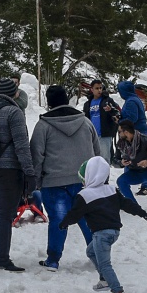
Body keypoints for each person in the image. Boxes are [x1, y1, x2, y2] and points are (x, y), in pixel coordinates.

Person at [60, 156, 147, 293]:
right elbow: (127, 204)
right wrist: (144, 214)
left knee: (105, 264)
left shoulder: (84, 195)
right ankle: (104, 280)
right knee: (90, 252)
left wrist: (63, 224)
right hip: (114, 232)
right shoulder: (111, 190)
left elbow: (74, 214)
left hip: (101, 235)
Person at [29, 85, 100, 272]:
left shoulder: (43, 126)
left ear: (49, 102)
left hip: (54, 182)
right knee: (87, 219)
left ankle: (53, 260)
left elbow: (37, 156)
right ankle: (98, 256)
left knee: (59, 221)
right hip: (85, 182)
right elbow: (97, 151)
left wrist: (35, 182)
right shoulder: (86, 123)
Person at [0, 76, 38, 272]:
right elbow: (22, 146)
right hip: (8, 169)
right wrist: (30, 173)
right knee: (6, 213)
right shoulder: (14, 112)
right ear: (14, 93)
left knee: (3, 210)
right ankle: (2, 259)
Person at [114, 119, 147, 213]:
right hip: (134, 171)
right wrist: (121, 162)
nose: (118, 134)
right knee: (121, 181)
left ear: (126, 132)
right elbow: (114, 160)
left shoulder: (145, 139)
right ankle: (134, 205)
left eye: (119, 131)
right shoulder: (120, 144)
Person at [85, 80, 121, 162]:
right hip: (92, 135)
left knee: (104, 159)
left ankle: (105, 174)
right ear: (92, 89)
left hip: (104, 134)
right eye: (97, 88)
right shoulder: (87, 104)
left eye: (101, 88)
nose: (99, 90)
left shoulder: (108, 100)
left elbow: (118, 112)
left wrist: (111, 110)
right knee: (92, 159)